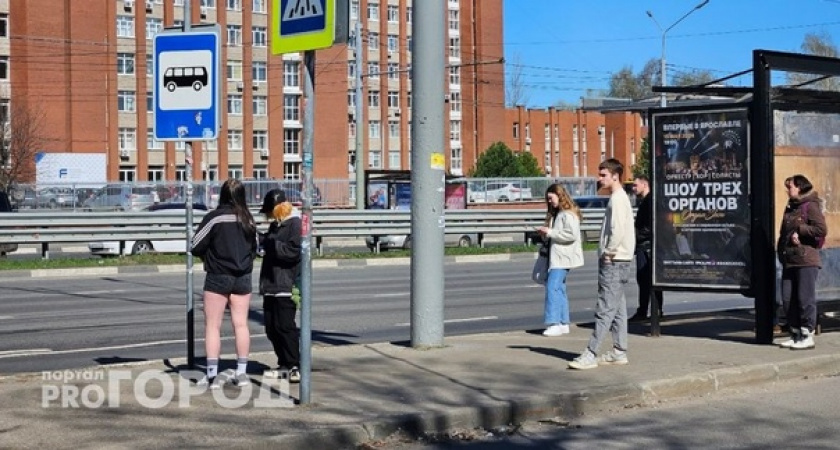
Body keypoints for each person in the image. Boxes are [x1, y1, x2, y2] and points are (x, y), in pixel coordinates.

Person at [569, 158, 635, 370]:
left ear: (615, 176)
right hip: (621, 260)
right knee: (618, 309)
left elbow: (616, 230)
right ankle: (619, 351)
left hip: (614, 261)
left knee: (605, 308)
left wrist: (609, 251)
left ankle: (591, 353)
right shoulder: (621, 197)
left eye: (603, 175)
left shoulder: (617, 199)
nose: (600, 179)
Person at [191, 178, 258, 388]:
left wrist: (208, 257)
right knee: (241, 324)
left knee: (213, 325)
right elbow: (255, 248)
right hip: (243, 277)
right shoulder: (248, 219)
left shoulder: (214, 218)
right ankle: (242, 372)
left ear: (222, 195)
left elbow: (195, 245)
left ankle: (212, 375)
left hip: (218, 276)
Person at [776, 174, 827, 350]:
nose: (787, 190)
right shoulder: (791, 207)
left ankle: (807, 334)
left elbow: (821, 229)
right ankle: (795, 333)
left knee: (805, 298)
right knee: (788, 299)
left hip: (806, 259)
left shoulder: (810, 206)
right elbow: (783, 233)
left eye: (790, 187)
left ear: (800, 187)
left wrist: (801, 230)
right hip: (789, 259)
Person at [258, 189, 303, 383]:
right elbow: (271, 246)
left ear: (278, 209)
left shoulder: (295, 224)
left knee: (285, 327)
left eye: (269, 211)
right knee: (271, 328)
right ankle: (284, 364)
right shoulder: (277, 226)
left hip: (287, 284)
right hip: (271, 284)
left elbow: (293, 252)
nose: (267, 215)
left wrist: (271, 244)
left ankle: (294, 365)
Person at [535, 184, 585, 337]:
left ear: (560, 196)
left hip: (563, 257)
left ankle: (554, 322)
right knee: (560, 288)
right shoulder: (558, 213)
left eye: (551, 198)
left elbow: (571, 235)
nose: (549, 202)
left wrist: (549, 232)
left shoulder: (567, 214)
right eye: (548, 199)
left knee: (553, 287)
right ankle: (563, 323)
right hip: (558, 257)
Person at [628, 175, 664, 322]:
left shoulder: (649, 201)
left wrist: (635, 235)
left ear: (644, 184)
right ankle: (654, 310)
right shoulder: (646, 201)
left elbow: (649, 227)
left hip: (647, 245)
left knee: (646, 279)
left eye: (636, 185)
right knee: (648, 280)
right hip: (645, 244)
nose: (633, 188)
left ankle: (646, 311)